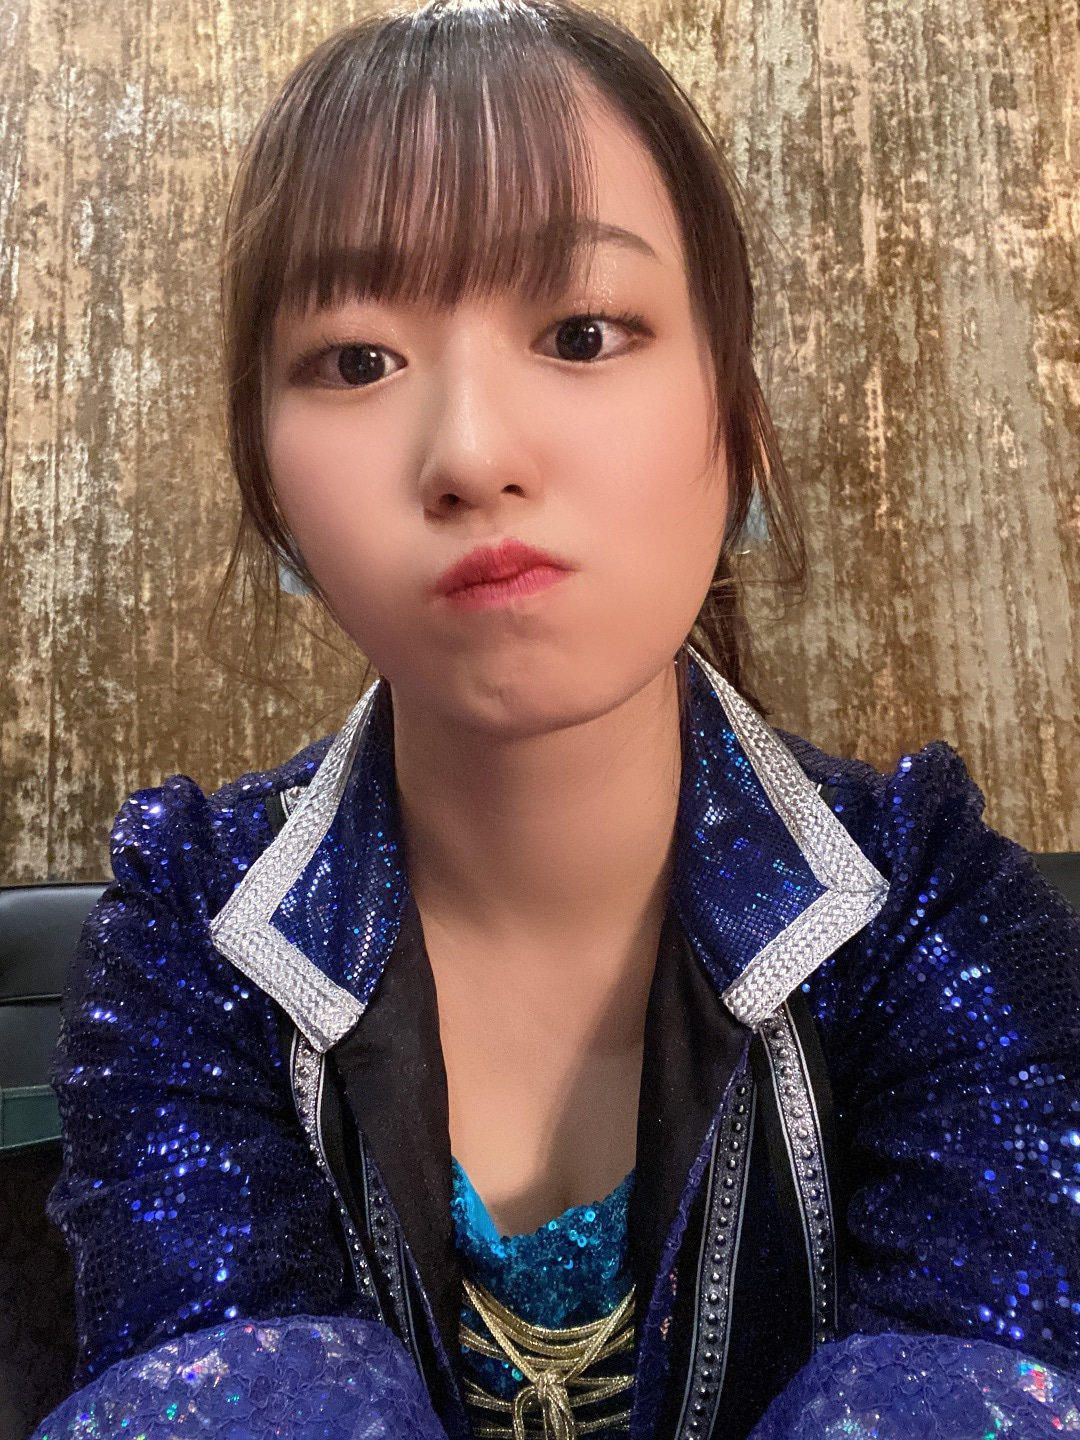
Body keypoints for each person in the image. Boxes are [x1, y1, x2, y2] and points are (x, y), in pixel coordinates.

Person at [32, 1, 1080, 1437]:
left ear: (737, 420)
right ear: (270, 488)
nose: (471, 451)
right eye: (356, 360)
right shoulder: (190, 932)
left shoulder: (928, 912)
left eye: (583, 331)